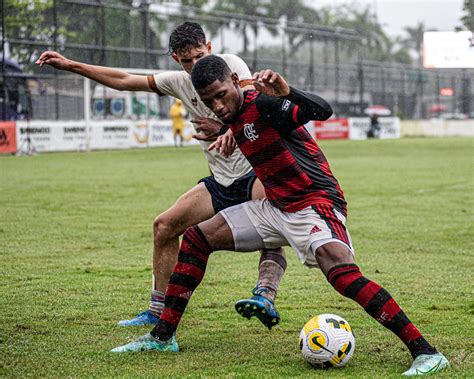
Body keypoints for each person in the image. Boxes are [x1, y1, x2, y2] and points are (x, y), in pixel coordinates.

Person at [112, 55, 450, 377]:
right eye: (208, 100)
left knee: (341, 274)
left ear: (234, 81)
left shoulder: (265, 104)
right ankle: (162, 337)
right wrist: (222, 131)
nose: (217, 105)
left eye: (220, 95)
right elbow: (243, 127)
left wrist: (288, 92)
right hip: (276, 207)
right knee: (199, 237)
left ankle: (426, 352)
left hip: (315, 202)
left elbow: (323, 110)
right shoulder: (232, 118)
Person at [35, 22, 286, 330]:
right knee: (164, 226)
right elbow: (125, 79)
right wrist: (70, 64)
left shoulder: (229, 65)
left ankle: (264, 296)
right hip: (221, 181)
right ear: (175, 60)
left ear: (209, 47)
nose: (194, 66)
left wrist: (225, 130)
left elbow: (252, 107)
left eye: (198, 56)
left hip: (255, 170)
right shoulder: (179, 81)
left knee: (270, 228)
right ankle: (157, 310)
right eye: (186, 60)